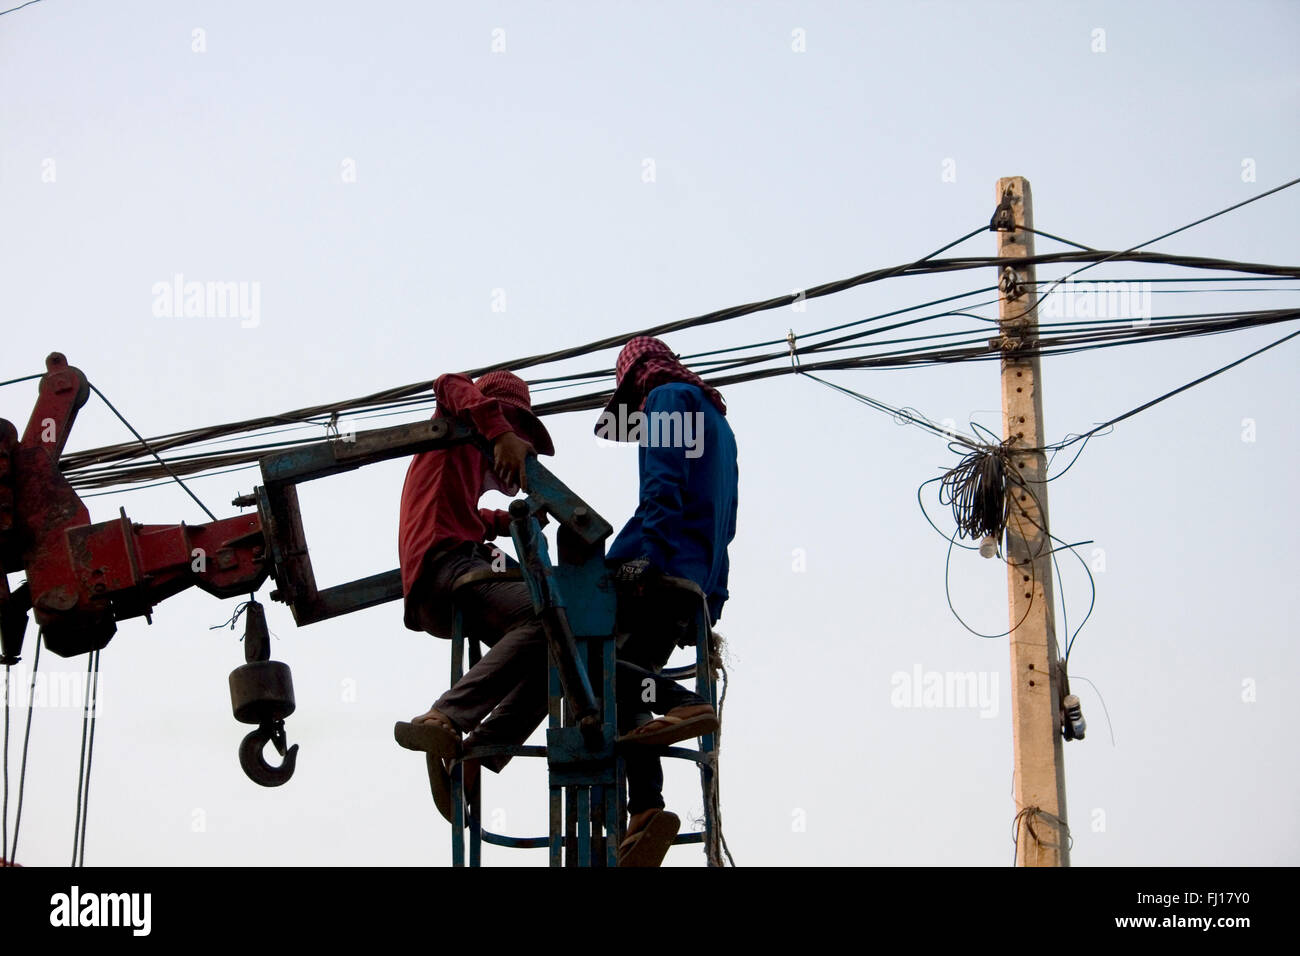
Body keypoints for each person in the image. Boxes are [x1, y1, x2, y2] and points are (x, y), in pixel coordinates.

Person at [594, 336, 739, 867]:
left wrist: (646, 560)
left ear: (636, 382)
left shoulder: (666, 400)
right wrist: (712, 599)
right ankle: (646, 811)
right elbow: (725, 523)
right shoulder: (721, 427)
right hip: (696, 579)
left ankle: (685, 705)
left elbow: (663, 484)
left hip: (664, 566)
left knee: (589, 663)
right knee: (627, 683)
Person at [394, 370, 553, 821]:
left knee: (564, 647)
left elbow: (465, 516)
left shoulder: (455, 473)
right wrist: (499, 431)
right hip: (449, 569)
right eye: (518, 431)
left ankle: (478, 756)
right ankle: (444, 717)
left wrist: (507, 522)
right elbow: (447, 382)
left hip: (457, 567)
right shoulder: (454, 431)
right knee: (549, 617)